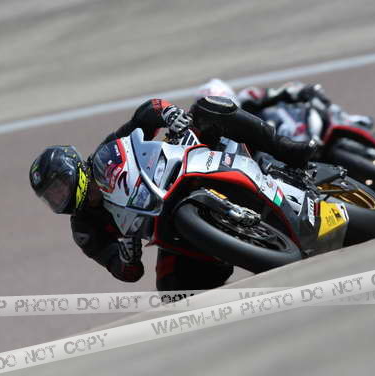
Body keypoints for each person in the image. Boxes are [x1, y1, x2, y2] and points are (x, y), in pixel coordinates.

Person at [29, 96, 319, 291]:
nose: (59, 197)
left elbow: (146, 113)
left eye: (59, 187)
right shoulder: (84, 228)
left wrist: (169, 115)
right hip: (168, 226)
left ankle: (287, 150)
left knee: (207, 107)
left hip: (181, 165)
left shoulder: (105, 153)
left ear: (73, 169)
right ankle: (229, 255)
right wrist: (127, 258)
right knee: (171, 290)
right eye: (52, 197)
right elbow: (125, 272)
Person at [195, 78, 374, 144]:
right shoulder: (221, 135)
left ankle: (349, 119)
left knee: (313, 100)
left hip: (296, 126)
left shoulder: (247, 97)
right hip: (283, 150)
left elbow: (278, 92)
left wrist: (297, 91)